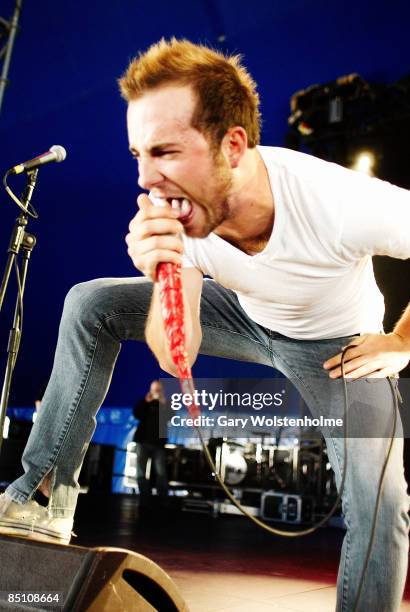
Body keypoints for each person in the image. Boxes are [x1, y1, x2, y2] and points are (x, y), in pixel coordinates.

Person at [0, 38, 409, 610]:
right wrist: (164, 270)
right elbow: (178, 355)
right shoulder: (176, 213)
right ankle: (43, 495)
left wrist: (401, 342)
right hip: (244, 312)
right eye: (137, 154)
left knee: (382, 500)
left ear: (232, 146)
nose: (146, 179)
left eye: (164, 152)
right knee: (92, 302)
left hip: (337, 345)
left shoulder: (336, 201)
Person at [133, 380, 169, 509]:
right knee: (141, 472)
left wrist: (163, 403)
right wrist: (145, 402)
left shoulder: (165, 403)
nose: (156, 392)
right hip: (143, 442)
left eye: (158, 389)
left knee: (161, 472)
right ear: (151, 390)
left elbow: (170, 417)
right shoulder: (145, 402)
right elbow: (136, 414)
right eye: (154, 389)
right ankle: (144, 498)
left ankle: (162, 500)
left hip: (158, 444)